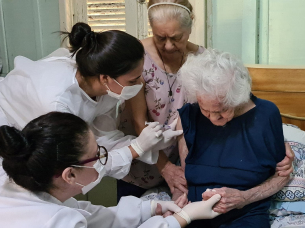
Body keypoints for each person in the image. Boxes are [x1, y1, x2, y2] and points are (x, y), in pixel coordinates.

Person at [117, 0, 293, 201]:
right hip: (144, 161)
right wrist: (166, 168)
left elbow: (241, 102)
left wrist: (278, 139)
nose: (168, 45)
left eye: (176, 37)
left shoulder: (204, 58)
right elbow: (139, 123)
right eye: (160, 37)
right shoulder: (137, 59)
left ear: (190, 26)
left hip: (189, 163)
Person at [0, 22, 182, 174]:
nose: (140, 83)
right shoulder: (58, 103)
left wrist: (151, 143)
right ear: (105, 78)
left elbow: (103, 138)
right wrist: (137, 147)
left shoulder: (105, 85)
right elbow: (80, 166)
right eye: (133, 80)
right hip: (0, 131)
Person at [0, 112, 222, 228]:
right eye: (98, 154)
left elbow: (86, 214)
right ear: (69, 174)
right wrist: (182, 218)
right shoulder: (54, 222)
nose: (104, 159)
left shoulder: (7, 175)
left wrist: (152, 207)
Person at [176, 49, 292, 227]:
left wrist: (244, 198)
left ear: (238, 98)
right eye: (205, 110)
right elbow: (184, 178)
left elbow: (281, 176)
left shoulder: (266, 115)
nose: (213, 118)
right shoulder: (189, 116)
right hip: (196, 211)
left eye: (222, 110)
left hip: (246, 214)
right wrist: (178, 200)